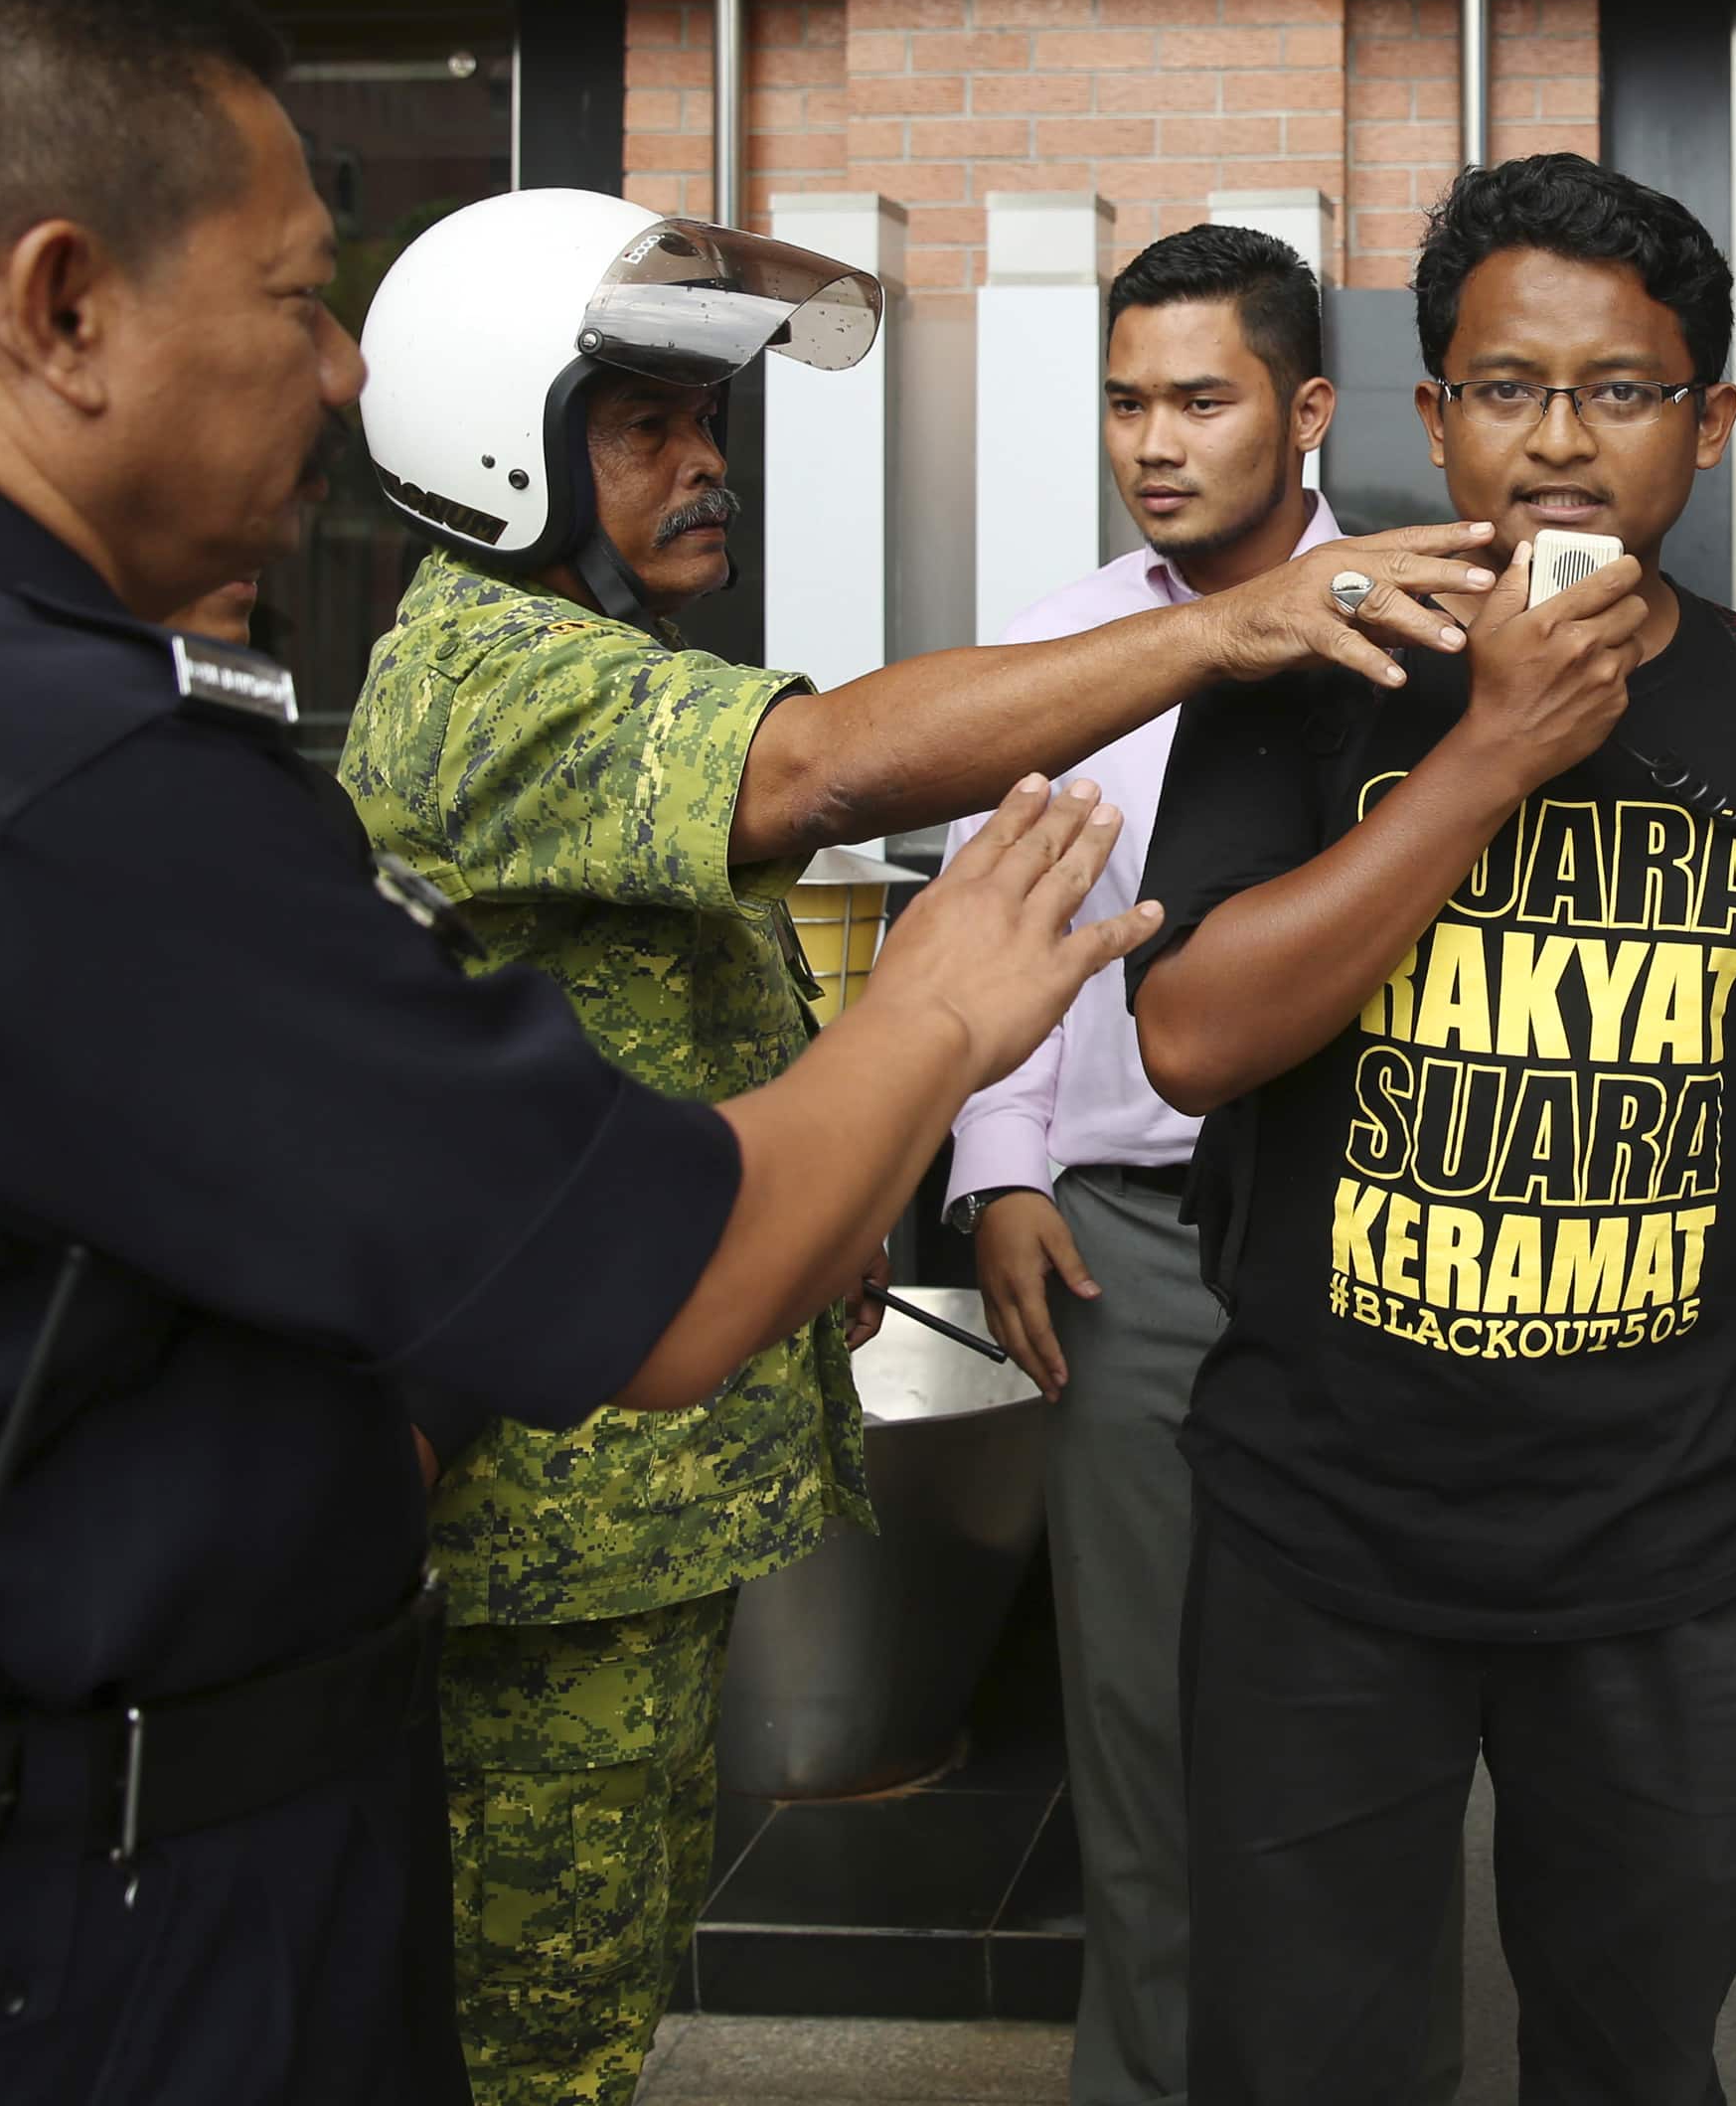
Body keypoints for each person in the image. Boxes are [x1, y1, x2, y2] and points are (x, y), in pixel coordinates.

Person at [0, 0, 1170, 2098]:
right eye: (297, 297)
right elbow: (657, 1269)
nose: (342, 367)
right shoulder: (70, 794)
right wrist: (929, 1013)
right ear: (65, 306)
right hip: (81, 1930)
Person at [335, 190, 1495, 2106]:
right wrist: (985, 1130)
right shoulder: (493, 674)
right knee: (536, 2031)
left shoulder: (589, 664)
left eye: (706, 428)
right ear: (499, 446)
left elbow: (665, 998)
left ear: (1305, 414)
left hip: (1340, 1264)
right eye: (644, 430)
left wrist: (845, 1189)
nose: (705, 469)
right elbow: (827, 774)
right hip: (570, 1510)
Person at [1130, 154, 1736, 2104]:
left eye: (1621, 391)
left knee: (1631, 2056)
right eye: (1507, 389)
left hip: (1690, 1558)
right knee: (1301, 2063)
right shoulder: (1303, 665)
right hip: (1319, 1543)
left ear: (1710, 421)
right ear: (1431, 417)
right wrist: (1488, 751)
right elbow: (1187, 1037)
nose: (1561, 444)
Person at [943, 221, 1460, 2106]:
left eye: (1202, 399)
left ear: (1308, 410)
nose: (1155, 441)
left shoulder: (1419, 632)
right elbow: (1003, 924)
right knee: (1142, 1758)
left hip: (1360, 1257)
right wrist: (1006, 1172)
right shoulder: (1075, 646)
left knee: (1369, 1758)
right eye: (1126, 402)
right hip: (1132, 1254)